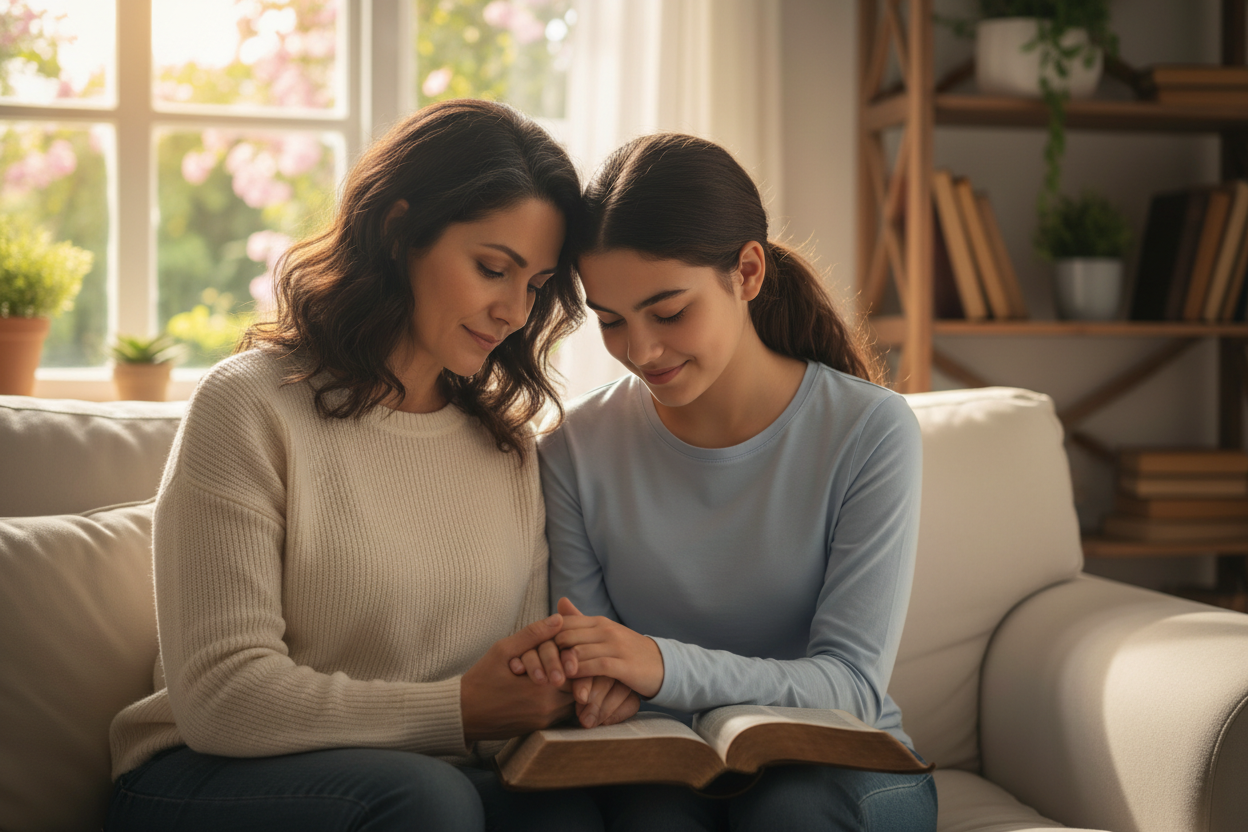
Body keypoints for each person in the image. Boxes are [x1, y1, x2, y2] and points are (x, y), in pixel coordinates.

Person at [103, 99, 634, 832]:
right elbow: (222, 696)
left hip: (426, 780)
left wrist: (570, 691)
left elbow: (510, 688)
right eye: (492, 268)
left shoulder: (507, 450)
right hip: (208, 776)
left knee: (565, 814)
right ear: (397, 231)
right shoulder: (251, 405)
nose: (515, 309)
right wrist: (459, 708)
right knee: (426, 800)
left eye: (536, 285)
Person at [513, 133, 938, 831]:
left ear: (746, 271)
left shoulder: (870, 430)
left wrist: (658, 665)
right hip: (661, 764)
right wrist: (595, 685)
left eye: (670, 311)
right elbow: (596, 666)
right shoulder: (574, 450)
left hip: (839, 763)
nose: (641, 351)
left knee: (794, 816)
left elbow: (852, 687)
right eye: (611, 322)